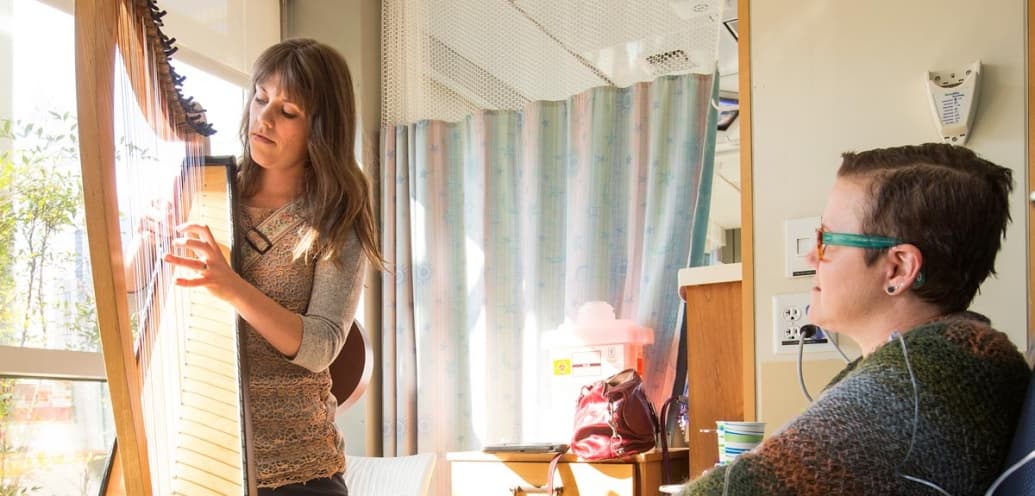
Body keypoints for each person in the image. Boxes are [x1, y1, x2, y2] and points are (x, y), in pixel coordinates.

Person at [686, 143, 1031, 495]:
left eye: (825, 240)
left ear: (898, 268)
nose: (811, 256)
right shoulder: (963, 361)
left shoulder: (907, 395)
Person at [163, 38, 383, 495]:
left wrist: (232, 286)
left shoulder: (337, 218)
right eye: (261, 98)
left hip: (297, 473)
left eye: (288, 111)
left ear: (321, 128)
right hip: (202, 459)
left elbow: (322, 346)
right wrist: (148, 243)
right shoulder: (207, 194)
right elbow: (127, 283)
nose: (263, 118)